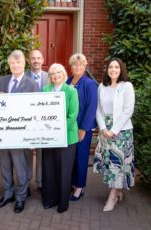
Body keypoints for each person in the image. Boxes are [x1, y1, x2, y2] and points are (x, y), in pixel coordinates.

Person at [0, 50, 39, 213]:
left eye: (18, 63)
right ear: (9, 64)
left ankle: (21, 197)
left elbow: (35, 112)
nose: (15, 65)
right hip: (3, 132)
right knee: (5, 166)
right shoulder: (3, 80)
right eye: (12, 63)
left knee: (21, 168)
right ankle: (8, 194)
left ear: (24, 64)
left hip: (21, 134)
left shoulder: (31, 83)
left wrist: (33, 137)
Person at [93, 58, 135, 212]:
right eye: (111, 67)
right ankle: (117, 192)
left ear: (121, 69)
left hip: (122, 132)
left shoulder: (127, 86)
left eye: (116, 67)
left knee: (118, 165)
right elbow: (98, 109)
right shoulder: (101, 87)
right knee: (110, 164)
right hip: (105, 130)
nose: (113, 70)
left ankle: (112, 198)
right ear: (107, 70)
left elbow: (128, 110)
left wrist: (114, 130)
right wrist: (103, 128)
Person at [42, 63, 79, 213]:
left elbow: (72, 115)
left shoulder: (71, 91)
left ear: (63, 74)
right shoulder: (45, 90)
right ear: (49, 77)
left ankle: (63, 203)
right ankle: (50, 199)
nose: (55, 75)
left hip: (67, 137)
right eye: (52, 73)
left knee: (64, 170)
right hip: (48, 137)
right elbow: (40, 112)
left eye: (58, 72)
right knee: (49, 169)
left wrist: (58, 132)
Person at [66, 53, 98, 201]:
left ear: (85, 67)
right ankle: (72, 183)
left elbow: (92, 108)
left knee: (81, 158)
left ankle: (79, 188)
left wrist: (83, 128)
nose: (77, 67)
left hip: (81, 129)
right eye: (75, 64)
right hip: (68, 128)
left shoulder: (89, 84)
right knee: (70, 158)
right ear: (71, 67)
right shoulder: (67, 82)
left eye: (81, 64)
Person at [25, 50, 49, 192]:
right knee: (26, 152)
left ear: (43, 59)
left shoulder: (49, 77)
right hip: (26, 121)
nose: (36, 60)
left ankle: (40, 182)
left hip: (44, 122)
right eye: (33, 58)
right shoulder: (24, 77)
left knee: (42, 153)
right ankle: (25, 183)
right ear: (29, 60)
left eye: (38, 58)